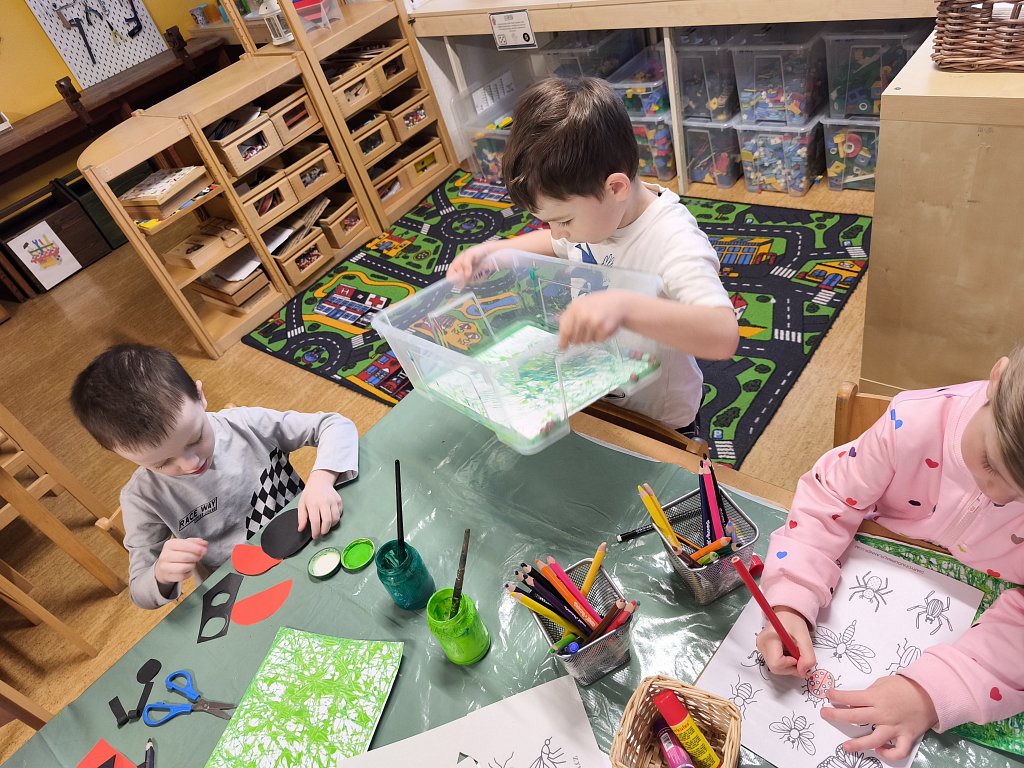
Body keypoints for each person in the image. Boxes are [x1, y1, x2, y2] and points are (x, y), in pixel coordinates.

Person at [757, 351, 1024, 762]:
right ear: (997, 378)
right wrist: (790, 599)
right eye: (990, 463)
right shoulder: (914, 424)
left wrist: (930, 692)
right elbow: (828, 498)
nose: (997, 494)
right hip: (874, 558)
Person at [447, 77, 738, 435]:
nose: (558, 231)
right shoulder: (596, 219)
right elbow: (555, 244)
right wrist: (493, 252)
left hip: (660, 419)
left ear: (615, 187)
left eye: (564, 220)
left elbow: (723, 336)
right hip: (598, 389)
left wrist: (625, 308)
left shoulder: (673, 240)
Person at [70, 344, 359, 609]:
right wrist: (160, 574)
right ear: (120, 454)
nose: (191, 463)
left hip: (314, 538)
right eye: (163, 463)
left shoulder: (243, 425)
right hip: (245, 590)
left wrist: (322, 479)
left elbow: (334, 425)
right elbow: (140, 593)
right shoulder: (142, 498)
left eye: (196, 438)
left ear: (200, 396)